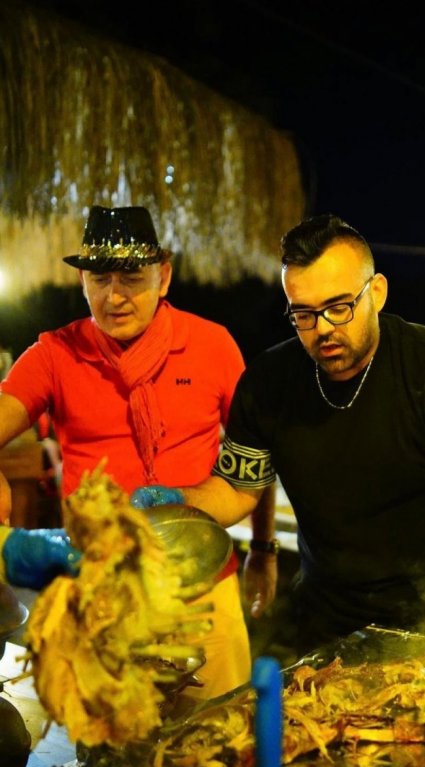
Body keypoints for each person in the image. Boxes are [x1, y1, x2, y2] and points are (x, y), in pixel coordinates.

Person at [132, 213, 425, 692]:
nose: (322, 329)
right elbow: (237, 490)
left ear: (376, 292)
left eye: (339, 307)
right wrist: (181, 502)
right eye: (303, 314)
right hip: (328, 623)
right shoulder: (269, 382)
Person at [0, 205, 275, 699]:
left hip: (203, 590)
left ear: (163, 276)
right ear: (82, 281)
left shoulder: (213, 345)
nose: (115, 296)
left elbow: (255, 457)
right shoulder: (54, 354)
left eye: (131, 278)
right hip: (101, 595)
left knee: (221, 730)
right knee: (106, 739)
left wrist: (262, 548)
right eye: (100, 279)